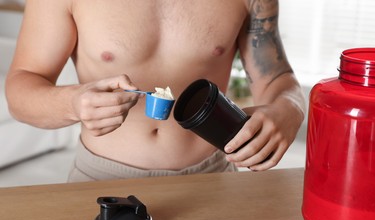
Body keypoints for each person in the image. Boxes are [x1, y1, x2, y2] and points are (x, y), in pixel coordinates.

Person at [5, 0, 305, 182]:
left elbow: (276, 77)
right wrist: (72, 103)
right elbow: (21, 88)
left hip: (212, 178)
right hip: (99, 180)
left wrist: (290, 108)